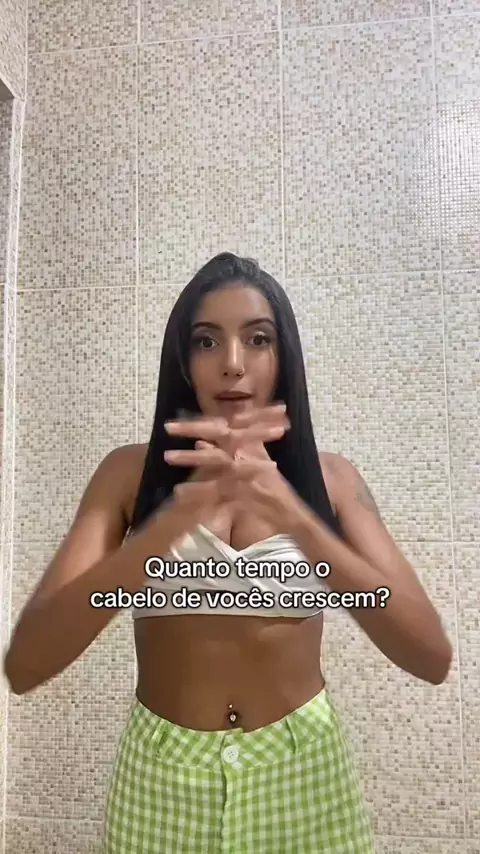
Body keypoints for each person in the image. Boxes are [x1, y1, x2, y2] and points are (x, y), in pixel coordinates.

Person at [4, 252, 452, 853]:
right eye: (207, 341)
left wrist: (294, 514)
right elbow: (27, 662)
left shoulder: (333, 481)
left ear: (283, 357)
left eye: (258, 339)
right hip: (163, 781)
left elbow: (429, 655)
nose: (233, 364)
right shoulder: (128, 475)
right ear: (183, 361)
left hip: (305, 774)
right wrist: (167, 525)